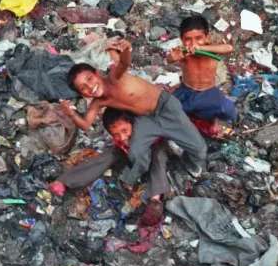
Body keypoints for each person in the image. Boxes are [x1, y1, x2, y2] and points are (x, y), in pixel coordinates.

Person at [60, 39, 207, 185]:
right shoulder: (98, 102)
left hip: (166, 108)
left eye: (90, 79)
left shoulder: (115, 77)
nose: (90, 86)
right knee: (136, 153)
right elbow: (86, 125)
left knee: (198, 148)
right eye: (83, 87)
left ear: (98, 73)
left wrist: (125, 51)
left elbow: (123, 63)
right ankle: (131, 180)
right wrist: (71, 113)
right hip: (145, 119)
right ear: (83, 94)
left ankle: (190, 166)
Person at [49, 108, 173, 204]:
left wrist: (130, 178)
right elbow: (121, 144)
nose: (122, 137)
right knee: (107, 157)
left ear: (134, 124)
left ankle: (155, 199)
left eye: (125, 131)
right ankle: (66, 180)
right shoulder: (122, 141)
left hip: (154, 148)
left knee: (158, 158)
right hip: (129, 152)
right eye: (116, 134)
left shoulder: (146, 132)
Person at [167, 15, 236, 134]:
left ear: (207, 37)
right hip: (186, 90)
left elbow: (229, 48)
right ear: (182, 39)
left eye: (198, 38)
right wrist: (173, 57)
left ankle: (215, 119)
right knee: (167, 111)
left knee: (229, 109)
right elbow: (169, 59)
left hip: (207, 92)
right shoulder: (182, 51)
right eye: (188, 39)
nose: (193, 43)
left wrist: (201, 48)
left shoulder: (213, 50)